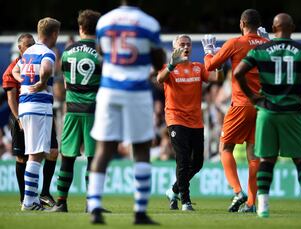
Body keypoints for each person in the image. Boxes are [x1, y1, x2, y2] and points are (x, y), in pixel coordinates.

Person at [234, 13, 301, 218]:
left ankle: (263, 207)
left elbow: (238, 73)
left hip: (267, 112)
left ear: (273, 29)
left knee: (266, 160)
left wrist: (252, 96)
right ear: (292, 27)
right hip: (293, 112)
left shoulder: (261, 50)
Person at [86, 0, 165, 225]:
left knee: (104, 149)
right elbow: (158, 60)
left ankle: (94, 208)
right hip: (137, 91)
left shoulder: (105, 20)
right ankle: (139, 211)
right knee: (140, 149)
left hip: (109, 90)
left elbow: (101, 51)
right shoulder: (149, 23)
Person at [201, 9, 268, 213]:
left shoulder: (235, 43)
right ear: (259, 25)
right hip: (262, 106)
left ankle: (238, 192)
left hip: (241, 104)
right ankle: (251, 204)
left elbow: (211, 66)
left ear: (241, 24)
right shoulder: (268, 45)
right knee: (253, 156)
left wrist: (209, 51)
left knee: (225, 148)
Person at [157, 34, 224, 211]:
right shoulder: (168, 68)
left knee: (198, 163)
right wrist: (172, 64)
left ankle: (173, 190)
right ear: (175, 48)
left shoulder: (197, 67)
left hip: (195, 121)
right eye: (182, 44)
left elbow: (218, 79)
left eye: (188, 44)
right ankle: (185, 201)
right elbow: (160, 79)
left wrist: (220, 63)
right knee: (183, 159)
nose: (186, 47)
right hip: (176, 119)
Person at [49, 9, 102, 212]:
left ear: (80, 28)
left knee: (68, 158)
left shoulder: (68, 52)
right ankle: (92, 204)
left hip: (71, 110)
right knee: (93, 159)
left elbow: (63, 84)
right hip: (93, 111)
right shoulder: (101, 53)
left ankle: (61, 202)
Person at [2, 33, 59, 208]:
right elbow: (11, 99)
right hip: (22, 113)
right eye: (27, 44)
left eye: (32, 43)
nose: (30, 46)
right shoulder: (13, 68)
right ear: (20, 49)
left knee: (53, 151)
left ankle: (44, 193)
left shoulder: (39, 59)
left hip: (40, 109)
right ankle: (25, 198)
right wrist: (18, 118)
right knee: (23, 157)